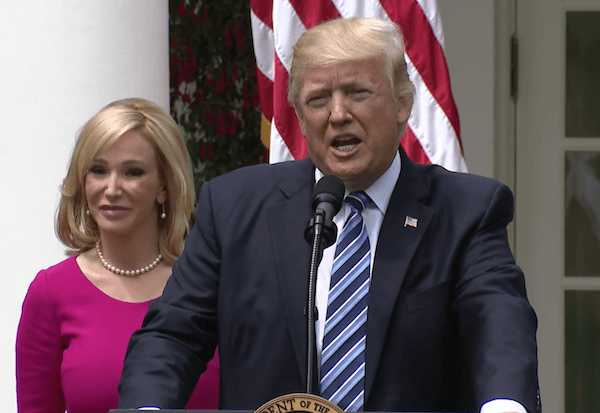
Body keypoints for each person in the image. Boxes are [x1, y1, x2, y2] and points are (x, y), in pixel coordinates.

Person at [118, 18, 540, 413]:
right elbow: (173, 335)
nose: (338, 114)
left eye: (358, 93)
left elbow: (498, 323)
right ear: (301, 118)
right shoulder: (233, 207)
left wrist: (504, 404)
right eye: (318, 100)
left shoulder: (465, 210)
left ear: (403, 104)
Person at [16, 98, 220, 413]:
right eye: (98, 171)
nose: (112, 189)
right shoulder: (50, 292)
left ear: (164, 186)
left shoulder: (209, 286)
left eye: (132, 172)